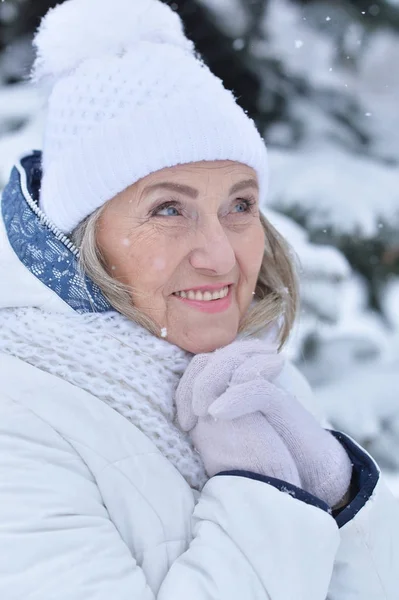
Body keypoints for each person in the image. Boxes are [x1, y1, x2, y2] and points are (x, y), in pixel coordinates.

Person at [0, 1, 397, 598]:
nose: (220, 254)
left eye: (239, 205)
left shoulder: (244, 377)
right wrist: (263, 494)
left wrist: (334, 490)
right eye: (168, 209)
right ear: (81, 239)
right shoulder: (18, 422)